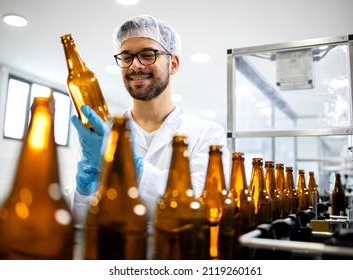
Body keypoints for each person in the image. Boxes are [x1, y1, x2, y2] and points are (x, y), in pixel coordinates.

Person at [64, 14, 231, 259]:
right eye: (126, 56)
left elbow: (201, 210)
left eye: (148, 54)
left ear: (173, 63)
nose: (135, 65)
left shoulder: (207, 133)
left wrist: (133, 169)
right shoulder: (104, 132)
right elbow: (80, 223)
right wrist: (83, 192)